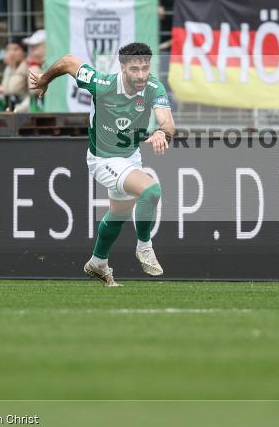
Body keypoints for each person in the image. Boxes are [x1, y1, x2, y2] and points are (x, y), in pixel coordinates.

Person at [29, 42, 176, 285]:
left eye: (145, 68)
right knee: (151, 190)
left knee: (119, 213)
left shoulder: (153, 86)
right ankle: (144, 247)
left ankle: (98, 262)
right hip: (103, 159)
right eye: (134, 69)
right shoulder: (103, 84)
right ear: (122, 67)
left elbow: (167, 122)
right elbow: (67, 61)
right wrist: (45, 79)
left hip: (130, 157)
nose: (141, 75)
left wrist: (163, 133)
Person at [0, 36, 30, 111]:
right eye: (8, 49)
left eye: (16, 49)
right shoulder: (9, 67)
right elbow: (6, 90)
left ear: (24, 51)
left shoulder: (27, 67)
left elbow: (13, 89)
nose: (11, 53)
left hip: (25, 110)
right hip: (13, 108)